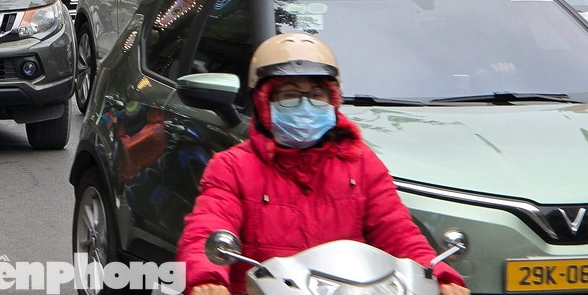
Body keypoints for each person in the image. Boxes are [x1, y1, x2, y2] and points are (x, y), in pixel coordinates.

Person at [176, 33, 469, 295]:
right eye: (290, 95)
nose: (306, 105)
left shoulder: (361, 163)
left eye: (316, 95)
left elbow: (397, 230)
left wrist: (439, 274)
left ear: (332, 99)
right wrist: (207, 277)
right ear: (264, 102)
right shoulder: (232, 167)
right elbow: (207, 228)